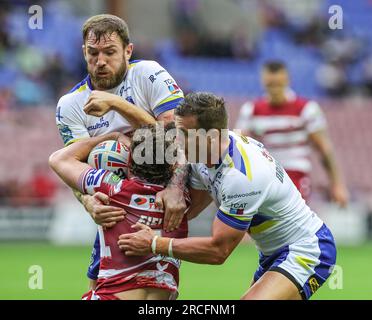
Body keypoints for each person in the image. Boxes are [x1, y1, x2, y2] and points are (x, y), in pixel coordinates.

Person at [118, 92, 337, 300]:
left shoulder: (241, 177)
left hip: (307, 249)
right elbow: (187, 212)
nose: (178, 140)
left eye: (185, 133)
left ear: (212, 136)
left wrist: (155, 244)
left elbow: (218, 251)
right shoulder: (206, 150)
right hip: (273, 253)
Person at [55, 14, 188, 289]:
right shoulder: (70, 104)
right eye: (93, 53)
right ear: (84, 52)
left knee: (151, 290)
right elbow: (73, 165)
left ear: (128, 50)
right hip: (116, 202)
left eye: (110, 52)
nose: (100, 61)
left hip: (162, 197)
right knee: (101, 287)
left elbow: (178, 138)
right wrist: (87, 202)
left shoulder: (149, 74)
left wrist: (116, 104)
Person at [49, 124, 188, 300]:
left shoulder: (112, 187)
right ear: (173, 166)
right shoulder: (183, 199)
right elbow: (193, 159)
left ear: (129, 161)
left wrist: (112, 136)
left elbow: (58, 159)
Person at [235, 61, 348, 204]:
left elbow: (324, 148)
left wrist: (337, 184)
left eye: (278, 84)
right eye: (271, 84)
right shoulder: (250, 110)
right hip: (265, 176)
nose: (275, 89)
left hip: (296, 176)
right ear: (263, 81)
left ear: (287, 80)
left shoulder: (307, 109)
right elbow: (238, 146)